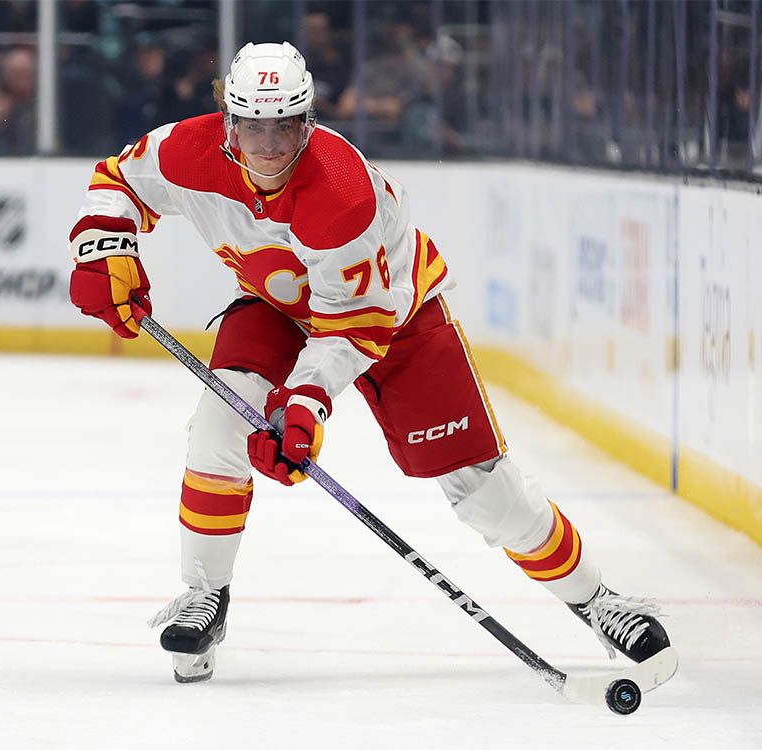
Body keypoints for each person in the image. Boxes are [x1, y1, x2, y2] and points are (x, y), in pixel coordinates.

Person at [67, 42, 671, 683]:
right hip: (278, 306)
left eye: (284, 127)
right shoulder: (187, 151)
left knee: (484, 491)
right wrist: (106, 248)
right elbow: (117, 181)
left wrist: (303, 405)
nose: (268, 146)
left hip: (395, 319)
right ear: (229, 123)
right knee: (219, 423)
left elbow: (353, 327)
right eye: (253, 127)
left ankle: (596, 599)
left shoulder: (342, 194)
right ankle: (205, 594)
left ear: (308, 121)